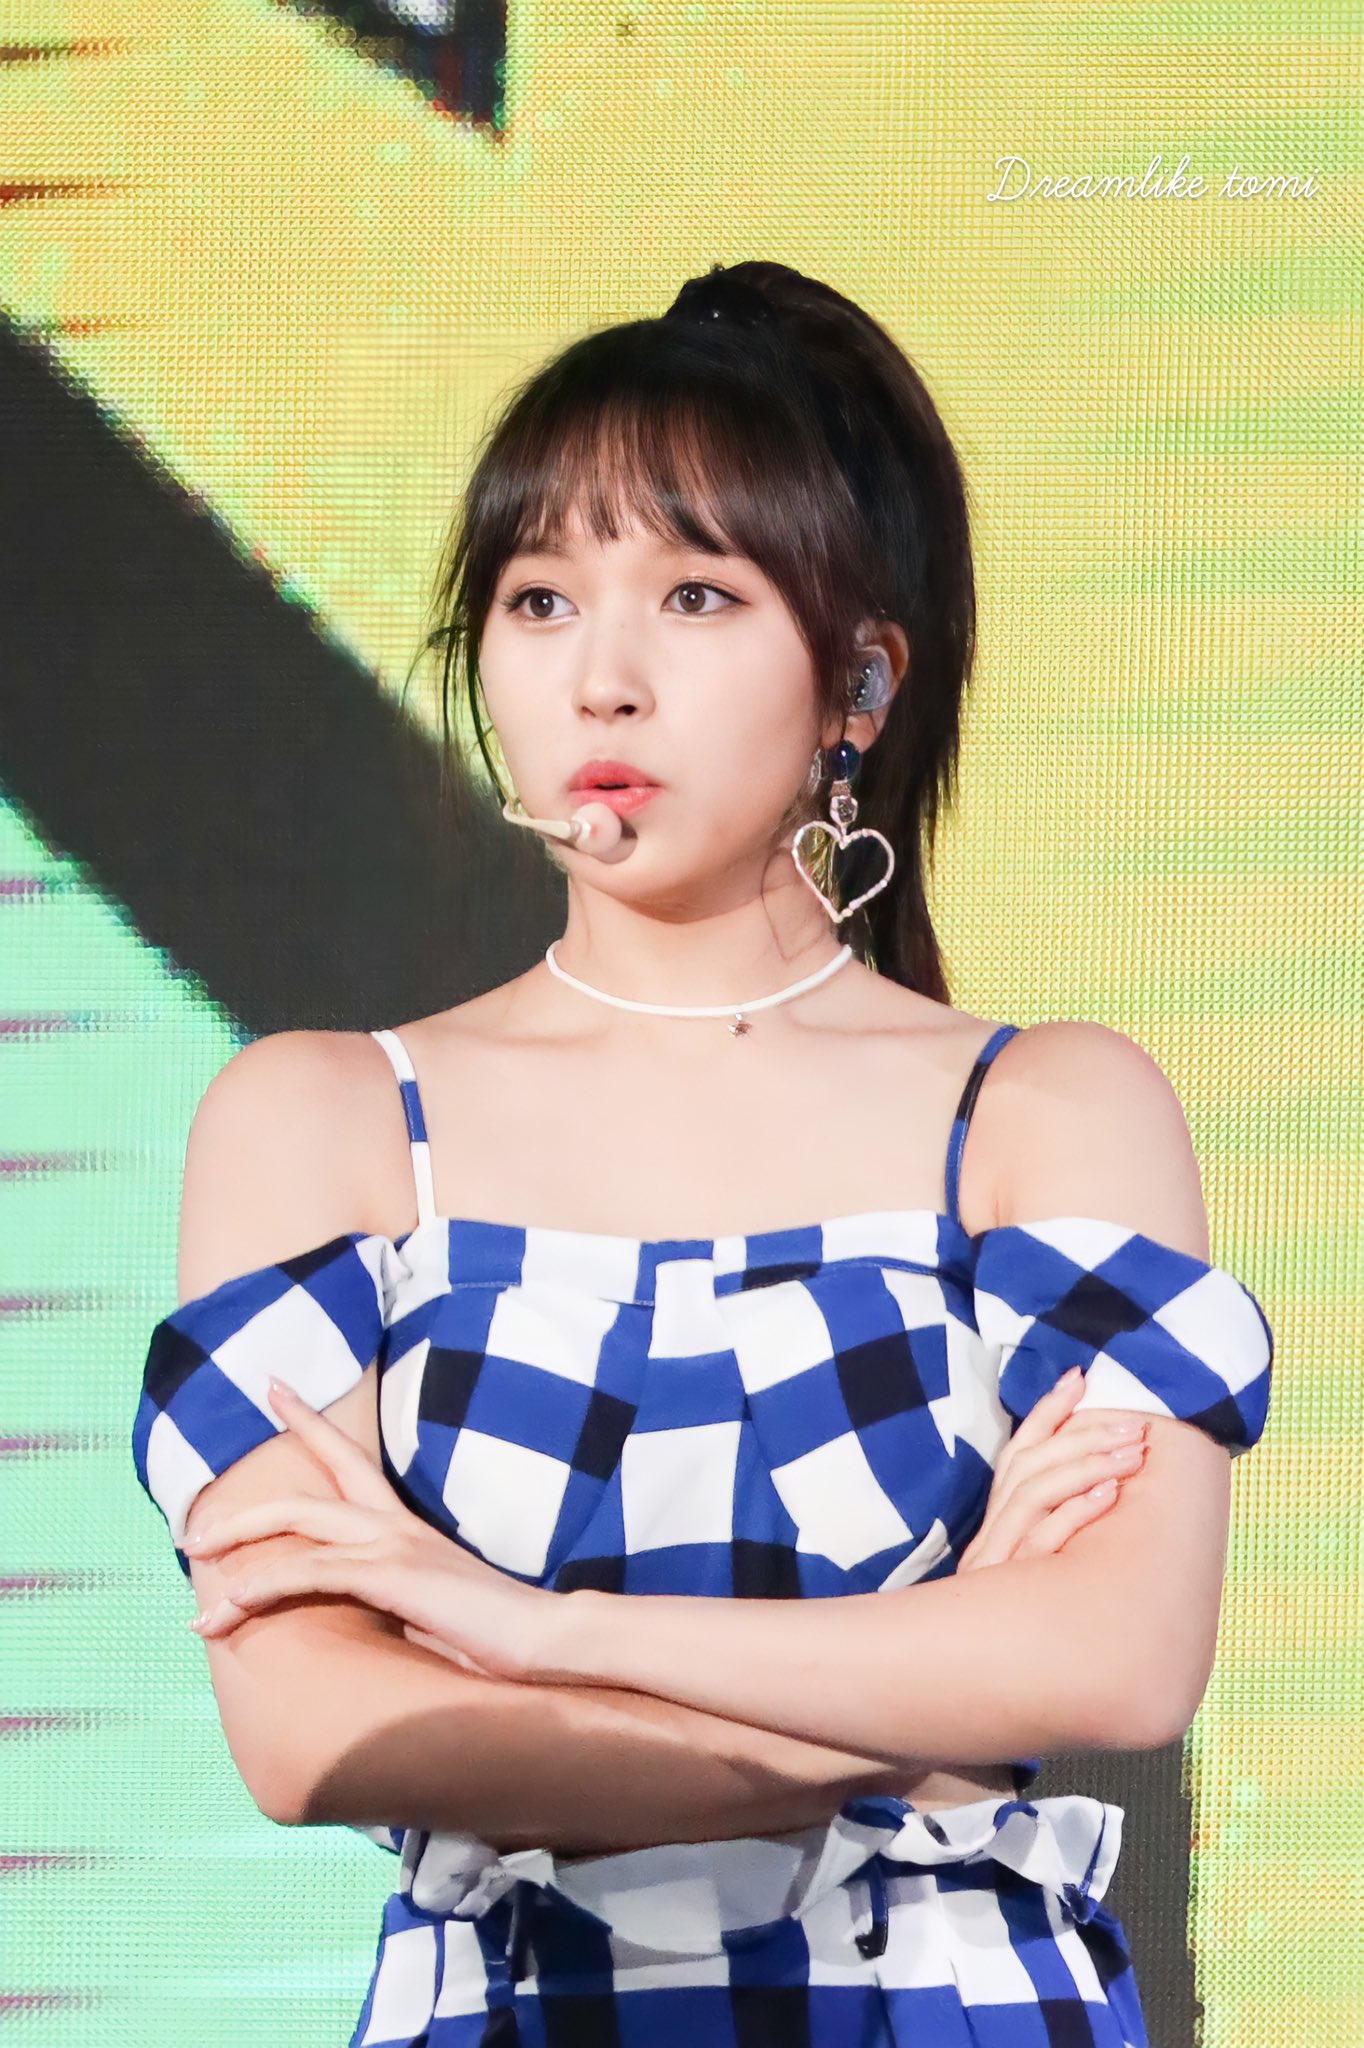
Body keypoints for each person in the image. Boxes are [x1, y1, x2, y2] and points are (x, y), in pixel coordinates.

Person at [131, 261, 1274, 2046]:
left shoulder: (1048, 1109)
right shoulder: (323, 1119)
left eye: (695, 595)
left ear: (858, 681)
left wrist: (516, 1627)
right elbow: (314, 1734)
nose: (603, 680)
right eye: (539, 599)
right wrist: (921, 1682)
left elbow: (1117, 1660)